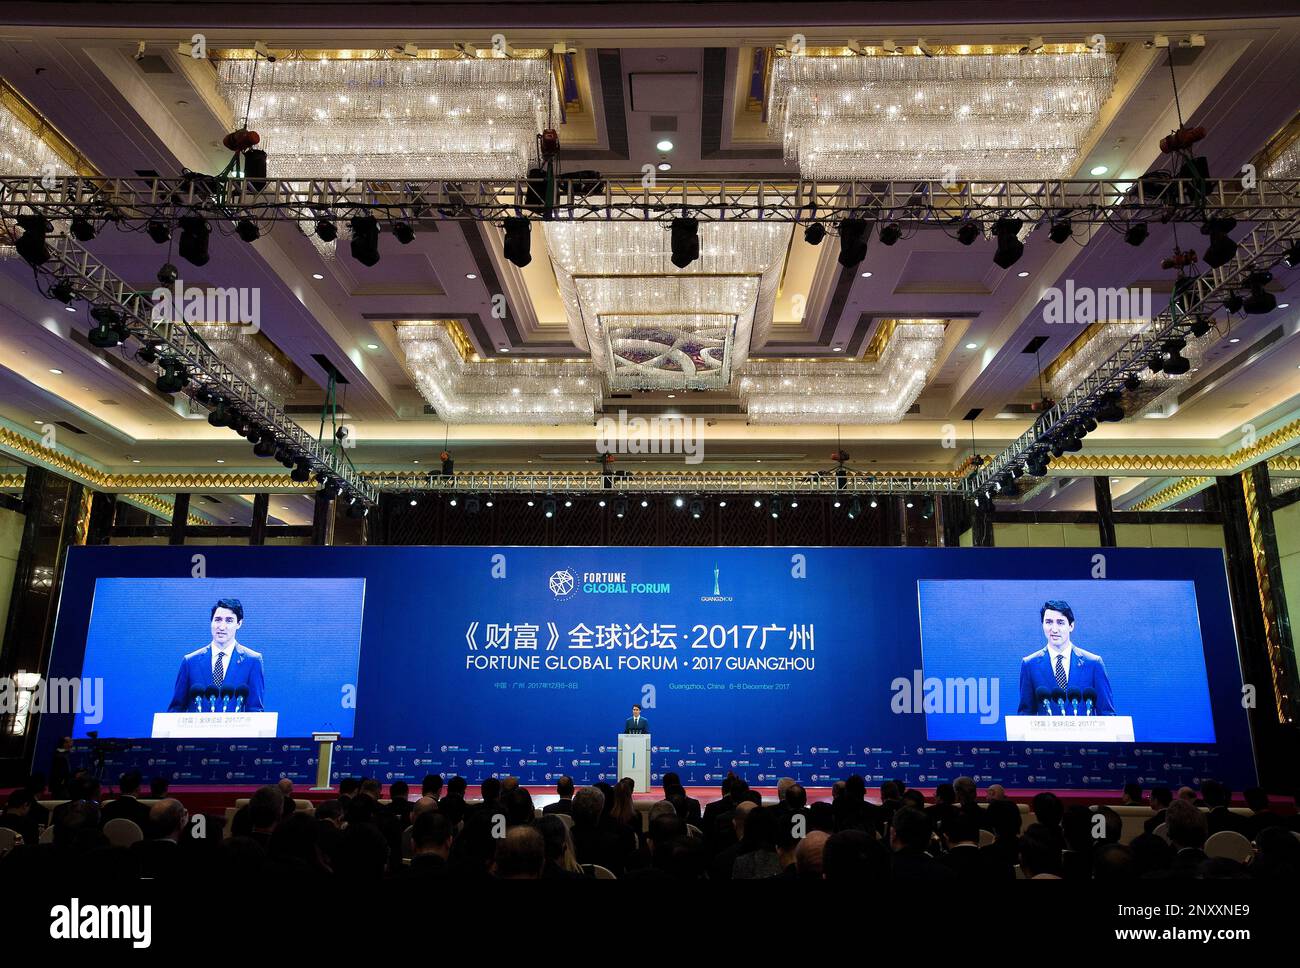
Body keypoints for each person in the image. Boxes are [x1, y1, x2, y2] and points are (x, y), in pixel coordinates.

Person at [1017, 600, 1115, 715]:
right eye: (1048, 622)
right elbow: (1025, 715)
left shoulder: (1093, 663)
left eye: (1060, 622)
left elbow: (1107, 713)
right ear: (1042, 625)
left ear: (1071, 626)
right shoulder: (1030, 665)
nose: (1054, 629)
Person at [167, 598, 266, 712]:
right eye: (218, 620)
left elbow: (255, 709)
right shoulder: (190, 661)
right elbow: (176, 708)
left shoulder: (252, 661)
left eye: (229, 620)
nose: (222, 627)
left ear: (239, 623)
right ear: (211, 622)